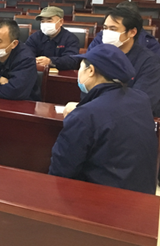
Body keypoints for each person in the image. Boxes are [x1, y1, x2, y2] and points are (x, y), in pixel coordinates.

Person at [49, 44, 157, 194]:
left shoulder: (84, 117)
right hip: (142, 193)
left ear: (91, 71)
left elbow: (60, 172)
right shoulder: (141, 99)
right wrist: (82, 108)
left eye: (81, 67)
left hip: (104, 198)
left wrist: (81, 112)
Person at [86, 7, 160, 117]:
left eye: (113, 29)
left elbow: (141, 103)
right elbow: (87, 91)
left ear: (132, 32)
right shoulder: (99, 54)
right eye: (105, 28)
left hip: (129, 119)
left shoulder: (149, 62)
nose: (107, 33)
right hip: (96, 114)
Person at [88, 1, 160, 56]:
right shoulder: (102, 36)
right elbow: (89, 58)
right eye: (105, 27)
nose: (108, 31)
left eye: (113, 29)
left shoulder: (149, 43)